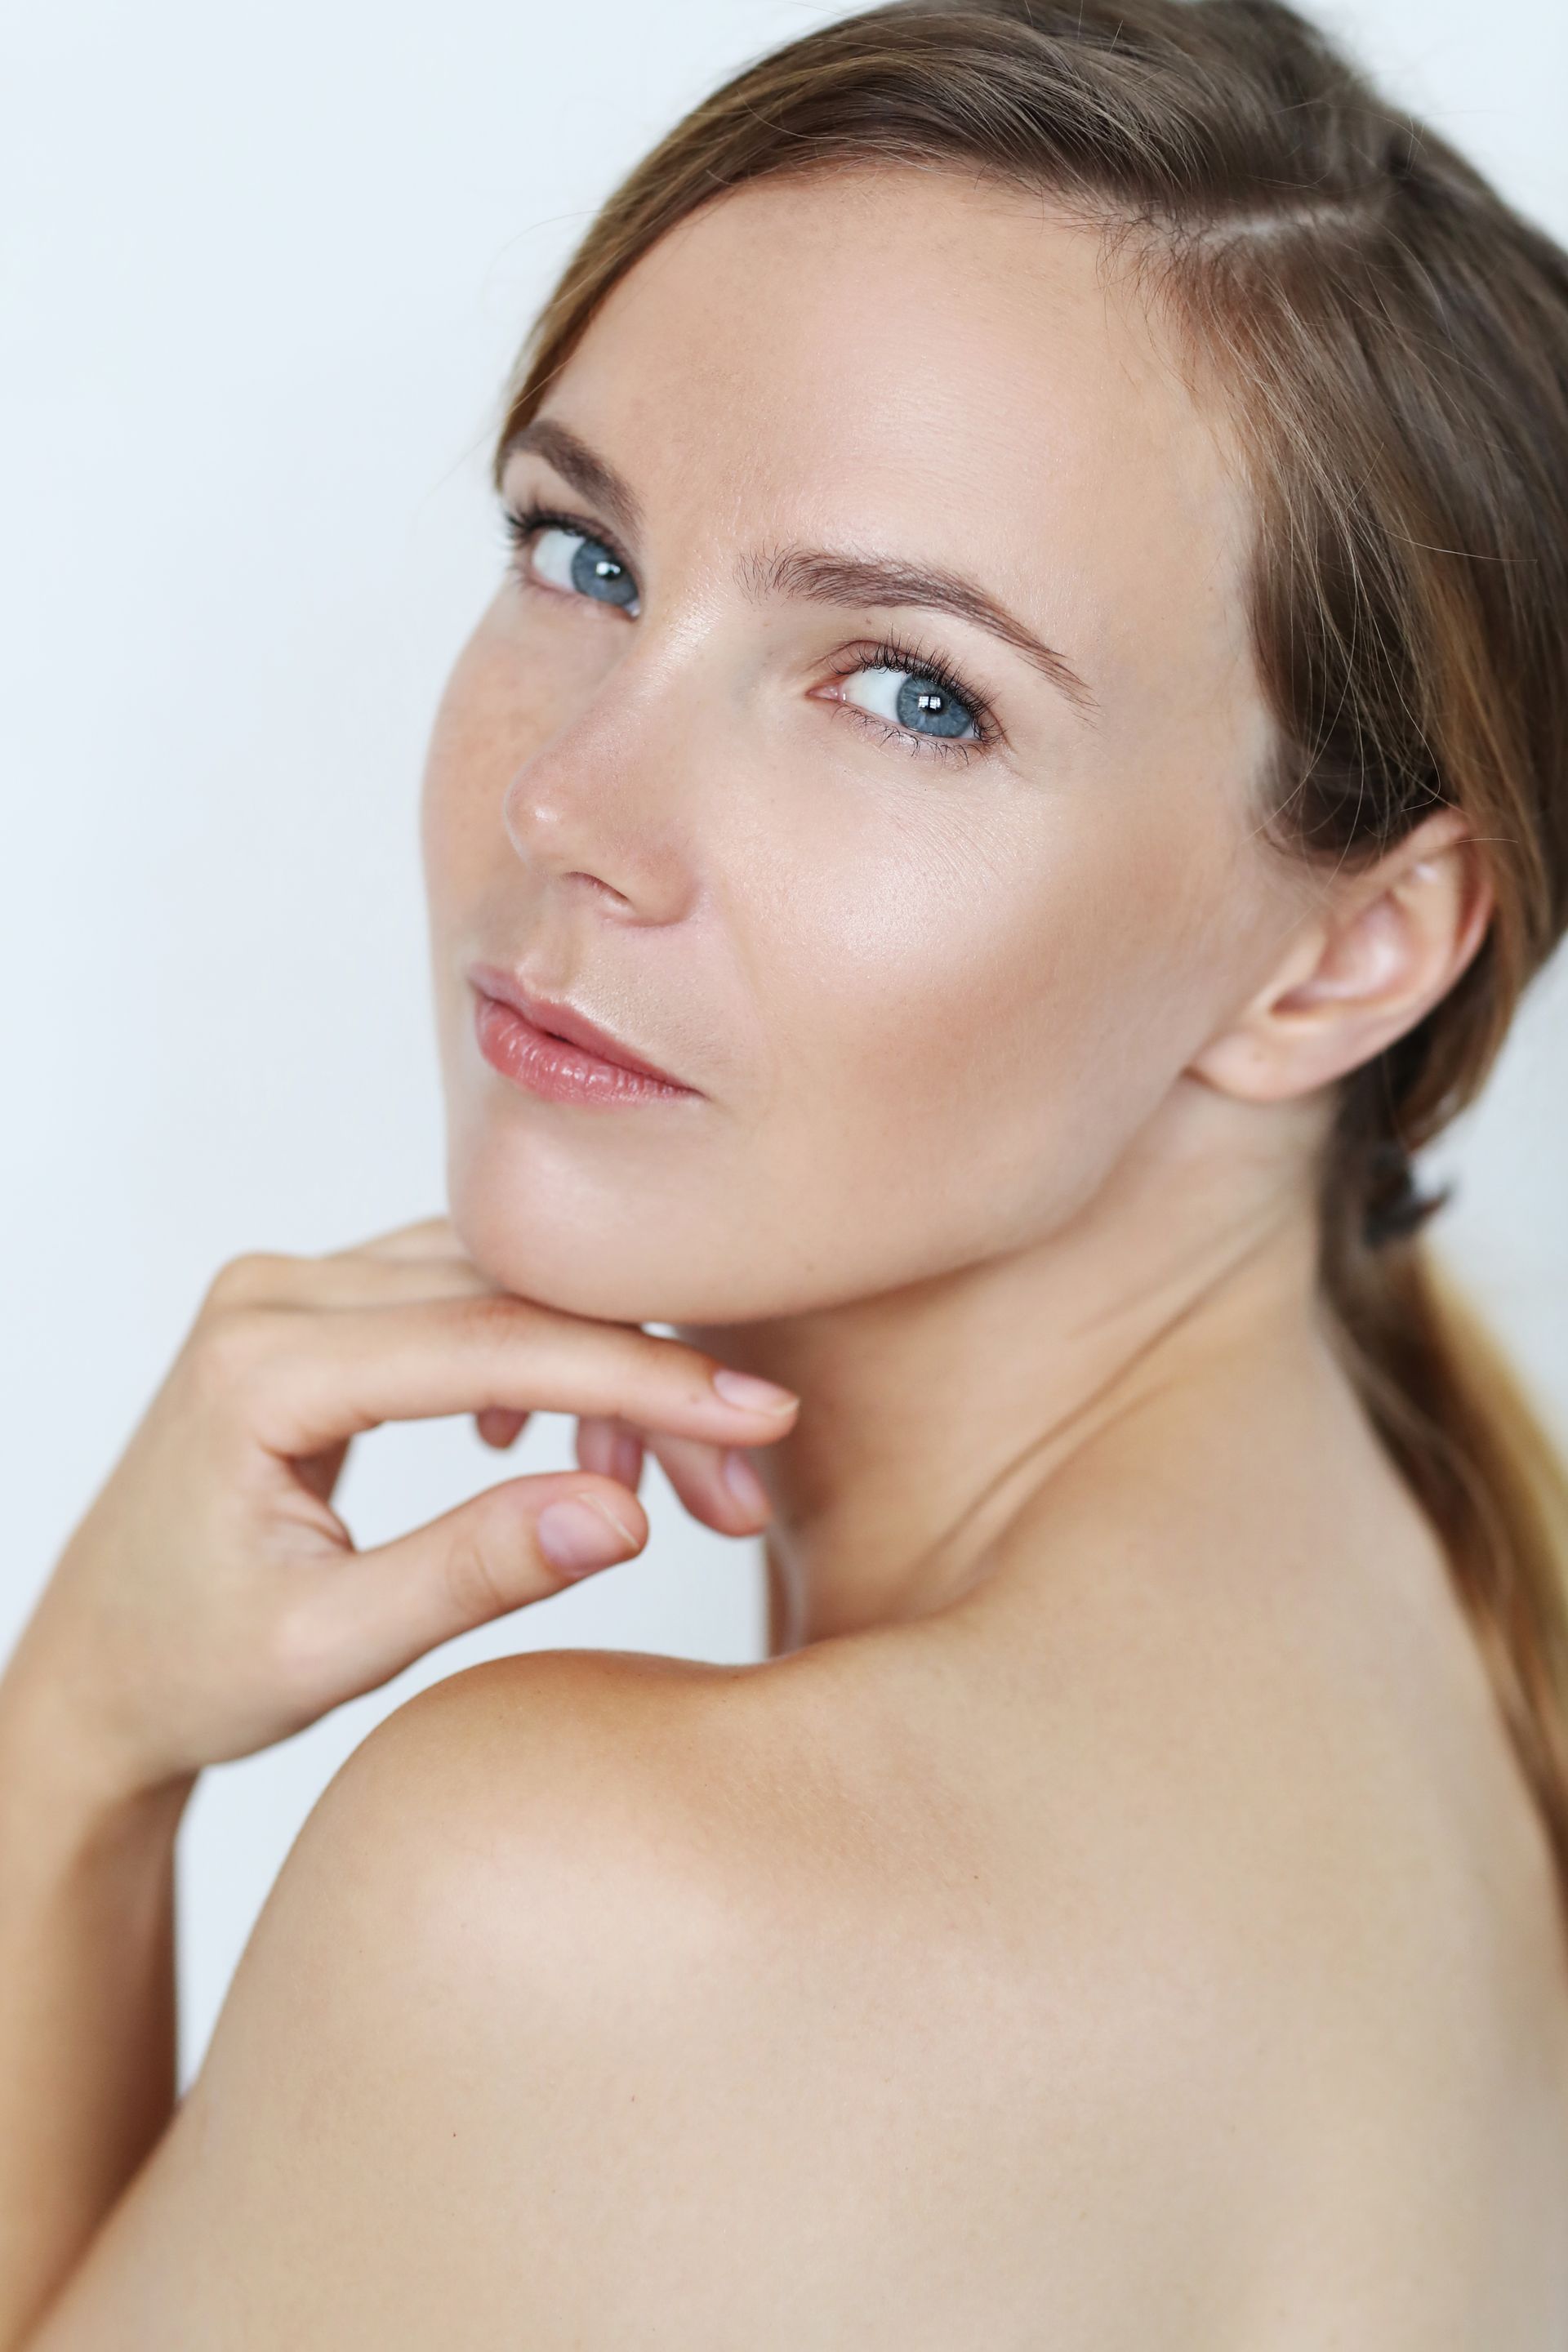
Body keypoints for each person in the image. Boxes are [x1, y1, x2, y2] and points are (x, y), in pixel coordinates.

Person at [5, 0, 1568, 2337]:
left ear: (1352, 953)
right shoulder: (1459, 1644)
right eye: (582, 550)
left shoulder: (595, 1904)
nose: (572, 808)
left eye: (914, 690)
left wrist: (73, 1754)